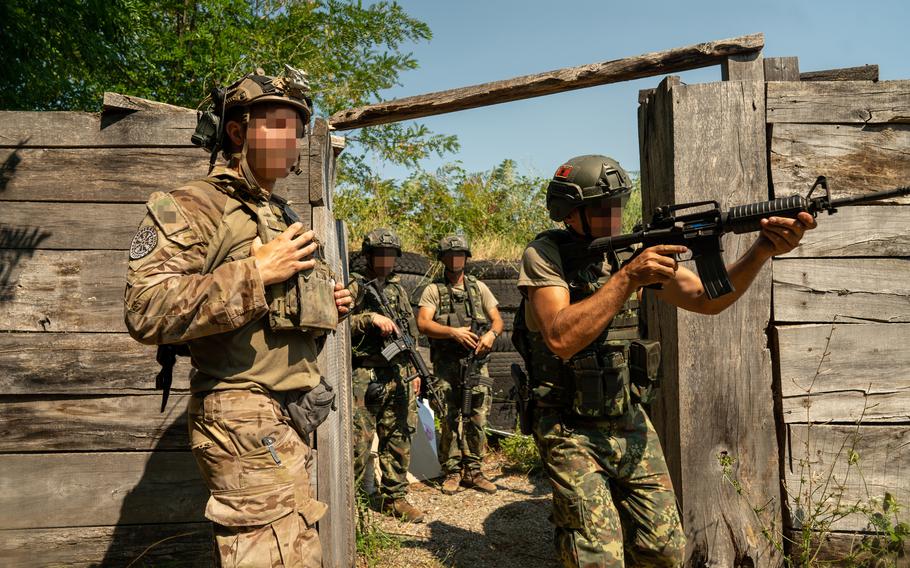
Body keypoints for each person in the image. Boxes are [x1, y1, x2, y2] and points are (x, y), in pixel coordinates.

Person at [515, 154, 816, 567]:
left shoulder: (629, 254)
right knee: (596, 558)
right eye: (602, 208)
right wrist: (627, 279)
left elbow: (707, 299)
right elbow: (561, 337)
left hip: (627, 416)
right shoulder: (545, 255)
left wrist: (762, 249)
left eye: (618, 203)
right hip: (568, 425)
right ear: (572, 214)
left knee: (664, 550)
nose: (614, 216)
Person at [124, 66, 353, 567]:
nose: (292, 137)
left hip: (284, 416)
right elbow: (145, 309)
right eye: (278, 124)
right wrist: (256, 271)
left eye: (298, 126)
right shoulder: (193, 205)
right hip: (239, 415)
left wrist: (325, 310)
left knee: (293, 549)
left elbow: (274, 320)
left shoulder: (279, 214)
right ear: (237, 131)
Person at [416, 235, 504, 495]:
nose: (455, 259)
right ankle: (452, 471)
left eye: (460, 255)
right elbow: (423, 324)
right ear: (442, 259)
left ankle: (474, 470)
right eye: (450, 255)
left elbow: (497, 320)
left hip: (476, 365)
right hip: (446, 365)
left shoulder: (478, 288)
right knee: (449, 417)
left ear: (466, 257)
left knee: (477, 417)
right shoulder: (434, 290)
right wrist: (453, 332)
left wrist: (491, 335)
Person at [347, 228, 425, 522]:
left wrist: (415, 370)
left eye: (390, 254)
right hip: (364, 373)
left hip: (398, 372)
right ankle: (352, 502)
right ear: (368, 256)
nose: (385, 259)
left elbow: (410, 333)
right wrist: (369, 318)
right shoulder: (355, 285)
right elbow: (338, 319)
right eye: (380, 253)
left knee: (398, 435)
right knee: (359, 441)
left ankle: (395, 498)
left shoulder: (399, 289)